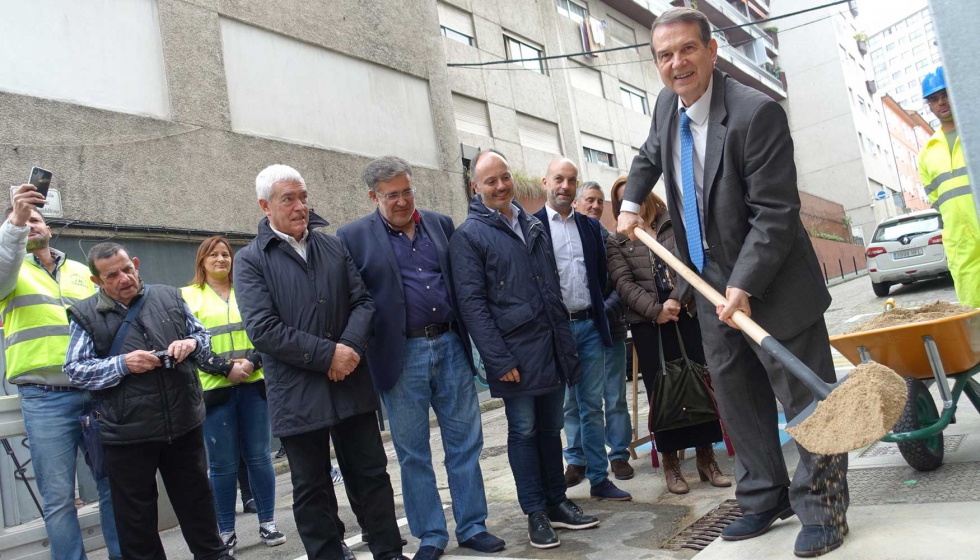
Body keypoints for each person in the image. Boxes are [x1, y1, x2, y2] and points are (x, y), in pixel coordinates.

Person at [617, 9, 848, 557]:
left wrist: (743, 284)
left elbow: (776, 214)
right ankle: (764, 497)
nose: (677, 64)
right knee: (739, 400)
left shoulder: (755, 114)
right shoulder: (665, 107)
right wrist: (629, 202)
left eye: (687, 50)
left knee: (807, 402)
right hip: (707, 282)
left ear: (712, 51)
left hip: (774, 285)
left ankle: (823, 509)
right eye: (664, 55)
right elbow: (650, 154)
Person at [234, 164, 406, 560]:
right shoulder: (251, 260)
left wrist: (347, 348)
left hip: (350, 381)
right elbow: (263, 329)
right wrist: (330, 355)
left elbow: (363, 302)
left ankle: (389, 551)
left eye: (304, 197)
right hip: (297, 392)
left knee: (370, 475)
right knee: (311, 487)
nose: (300, 207)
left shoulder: (332, 246)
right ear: (265, 206)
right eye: (288, 199)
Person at [338, 156, 505, 560]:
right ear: (373, 196)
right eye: (392, 194)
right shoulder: (352, 237)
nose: (402, 201)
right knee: (413, 452)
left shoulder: (440, 224)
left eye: (407, 191)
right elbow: (354, 300)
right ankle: (431, 534)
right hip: (400, 354)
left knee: (465, 442)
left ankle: (472, 526)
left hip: (450, 344)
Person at [450, 150, 599, 550]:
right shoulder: (468, 236)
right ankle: (534, 511)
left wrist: (564, 346)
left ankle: (557, 502)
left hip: (550, 345)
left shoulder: (530, 224)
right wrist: (499, 360)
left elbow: (551, 288)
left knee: (551, 429)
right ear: (475, 188)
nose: (500, 186)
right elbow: (473, 307)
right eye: (490, 182)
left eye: (504, 178)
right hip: (514, 355)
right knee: (524, 431)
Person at [64, 242, 231, 560]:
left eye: (127, 269)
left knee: (198, 506)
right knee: (136, 523)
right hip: (127, 432)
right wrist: (124, 364)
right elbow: (75, 371)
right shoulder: (84, 315)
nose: (124, 278)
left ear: (136, 263)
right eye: (111, 275)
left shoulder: (169, 296)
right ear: (97, 282)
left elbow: (203, 336)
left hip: (183, 423)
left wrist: (190, 343)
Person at [0, 186, 121, 560]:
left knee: (113, 484)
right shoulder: (11, 269)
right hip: (44, 398)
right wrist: (15, 224)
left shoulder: (83, 273)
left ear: (50, 228)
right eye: (21, 221)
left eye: (36, 219)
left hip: (95, 390)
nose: (30, 224)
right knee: (58, 498)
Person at [607, 176, 730, 494]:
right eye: (620, 201)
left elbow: (690, 263)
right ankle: (672, 467)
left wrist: (677, 299)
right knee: (663, 395)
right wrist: (655, 310)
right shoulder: (617, 241)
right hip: (649, 327)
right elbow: (623, 284)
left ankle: (706, 460)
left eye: (631, 198)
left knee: (699, 384)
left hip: (685, 314)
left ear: (645, 197)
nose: (627, 205)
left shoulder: (671, 224)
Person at [532, 161, 631, 501]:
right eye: (559, 179)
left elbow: (605, 276)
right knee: (557, 409)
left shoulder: (590, 228)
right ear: (546, 182)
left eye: (571, 180)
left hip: (589, 326)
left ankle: (600, 480)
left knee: (592, 405)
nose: (565, 185)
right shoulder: (532, 227)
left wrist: (604, 312)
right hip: (553, 333)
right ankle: (555, 485)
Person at [182, 236, 286, 552]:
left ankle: (268, 523)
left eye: (225, 254)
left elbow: (268, 329)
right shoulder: (186, 296)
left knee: (258, 457)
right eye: (213, 254)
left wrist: (251, 362)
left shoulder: (248, 290)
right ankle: (225, 531)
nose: (221, 259)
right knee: (223, 464)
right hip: (215, 391)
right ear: (202, 261)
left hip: (254, 384)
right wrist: (225, 368)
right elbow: (190, 343)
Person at [568, 182, 634, 482]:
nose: (594, 206)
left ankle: (618, 455)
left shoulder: (613, 242)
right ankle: (576, 459)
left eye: (599, 201)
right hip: (571, 335)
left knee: (614, 397)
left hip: (610, 331)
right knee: (573, 401)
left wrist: (600, 314)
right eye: (589, 201)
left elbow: (623, 286)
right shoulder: (564, 241)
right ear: (576, 205)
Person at [918, 66, 980, 307]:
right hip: (961, 243)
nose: (941, 102)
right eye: (934, 99)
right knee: (974, 314)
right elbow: (936, 199)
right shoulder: (927, 153)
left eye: (945, 94)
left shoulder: (975, 132)